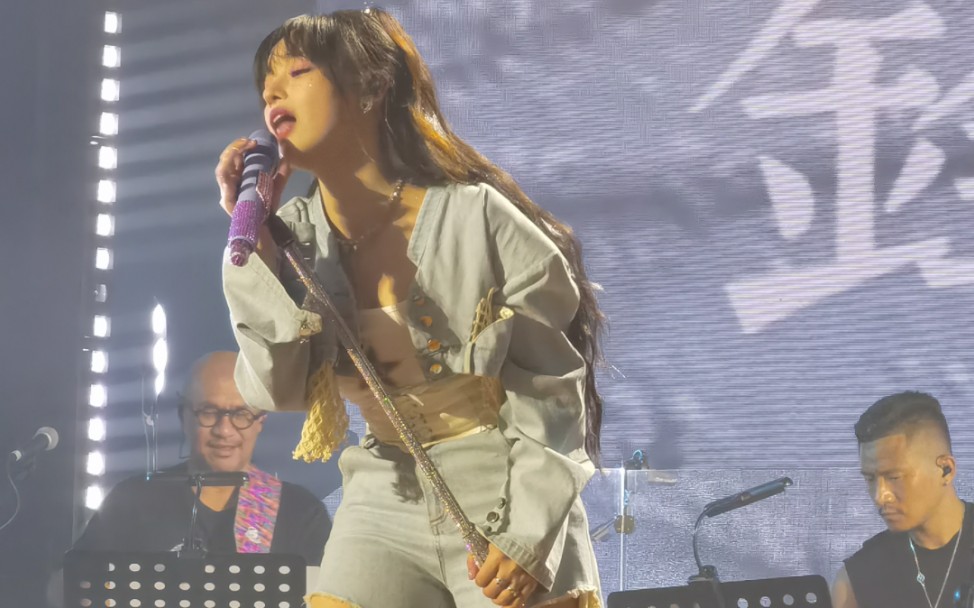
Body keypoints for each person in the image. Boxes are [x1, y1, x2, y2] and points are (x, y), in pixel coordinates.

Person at [217, 9, 605, 608]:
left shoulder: (475, 214)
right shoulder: (289, 239)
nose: (273, 93)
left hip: (501, 480)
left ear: (371, 87)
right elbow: (278, 389)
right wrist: (257, 246)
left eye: (297, 71)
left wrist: (529, 533)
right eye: (266, 85)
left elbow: (553, 387)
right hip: (383, 490)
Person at [70, 351, 330, 565]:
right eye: (208, 412)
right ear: (183, 416)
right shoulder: (131, 501)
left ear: (260, 421)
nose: (224, 430)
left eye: (240, 414)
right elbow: (68, 585)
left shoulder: (301, 513)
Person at [831, 391, 972, 608]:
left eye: (894, 477)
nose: (880, 496)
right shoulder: (858, 578)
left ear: (945, 469)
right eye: (870, 479)